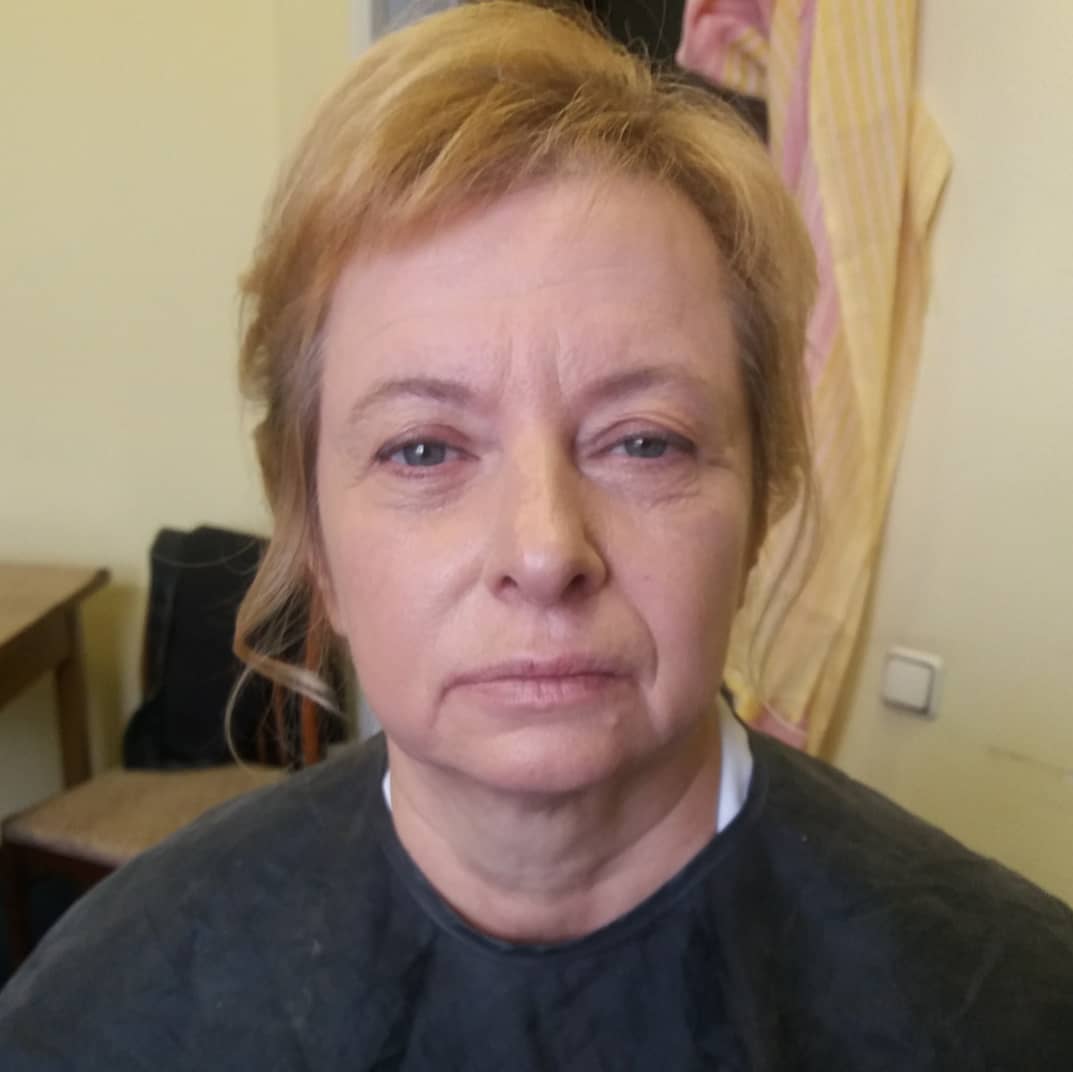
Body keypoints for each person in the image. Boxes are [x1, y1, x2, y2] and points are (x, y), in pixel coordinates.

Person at [2, 3, 1071, 1067]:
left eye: (643, 441)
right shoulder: (96, 1014)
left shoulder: (1016, 1013)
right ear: (313, 542)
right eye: (423, 449)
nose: (545, 550)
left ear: (760, 504)